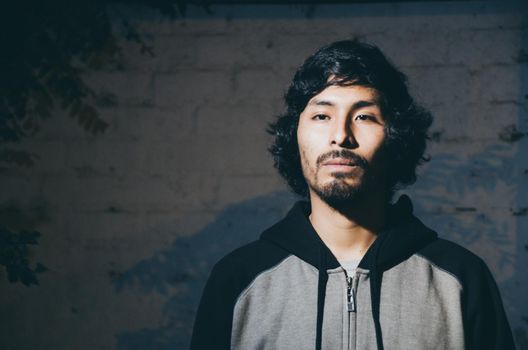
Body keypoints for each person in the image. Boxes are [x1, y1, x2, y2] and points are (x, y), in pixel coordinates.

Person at [190, 39, 515, 350]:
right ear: (296, 136)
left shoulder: (462, 278)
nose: (341, 135)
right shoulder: (238, 279)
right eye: (321, 115)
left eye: (364, 116)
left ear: (395, 139)